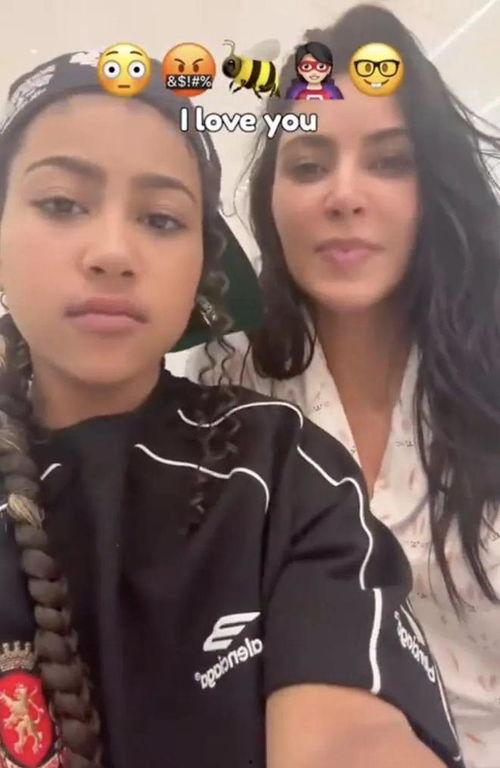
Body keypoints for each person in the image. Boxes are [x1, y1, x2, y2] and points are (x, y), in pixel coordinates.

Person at [0, 49, 462, 768]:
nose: (113, 252)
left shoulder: (282, 472)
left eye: (161, 218)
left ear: (202, 268)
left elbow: (350, 739)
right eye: (61, 204)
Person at [187, 5, 500, 768]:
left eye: (389, 162)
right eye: (308, 165)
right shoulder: (229, 375)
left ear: (432, 187)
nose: (344, 195)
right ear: (270, 196)